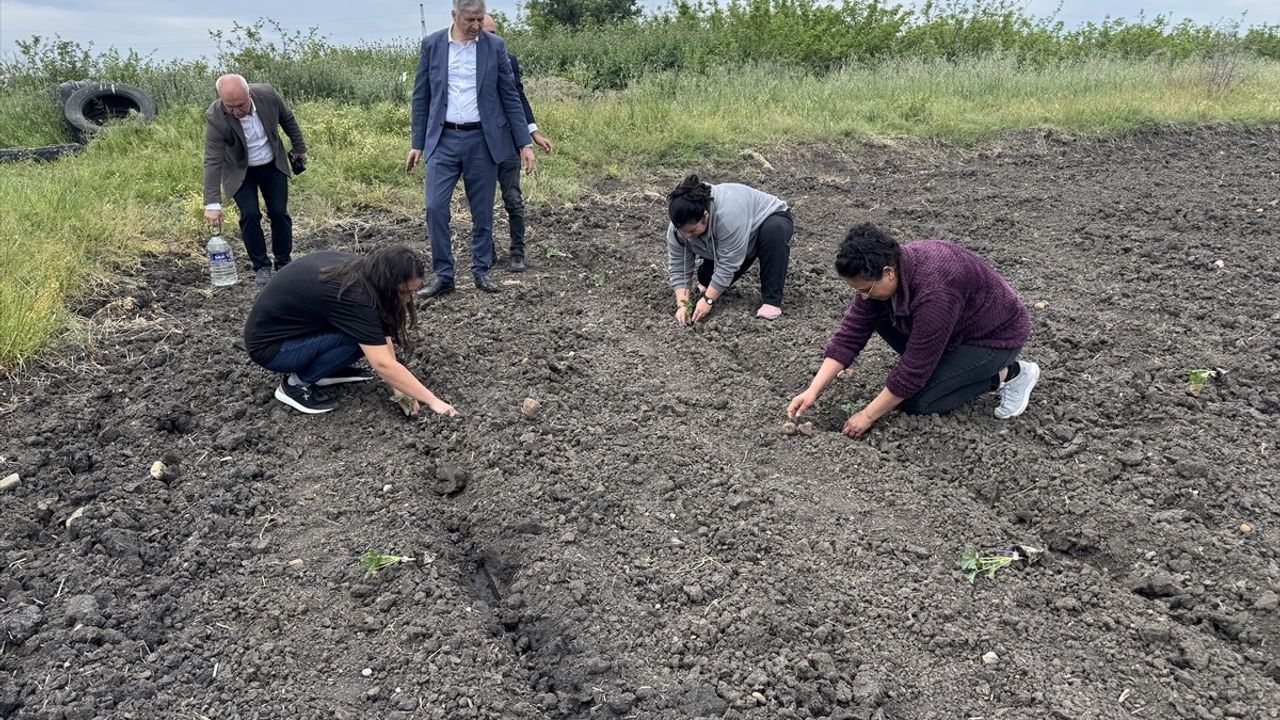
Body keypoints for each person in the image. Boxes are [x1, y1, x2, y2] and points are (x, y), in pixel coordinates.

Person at [787, 223, 1040, 438]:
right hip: (951, 330)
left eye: (865, 289)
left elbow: (914, 370)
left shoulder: (935, 292)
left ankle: (1012, 373)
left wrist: (867, 415)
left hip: (992, 339)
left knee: (918, 401)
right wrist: (812, 391)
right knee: (878, 316)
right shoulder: (888, 274)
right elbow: (850, 335)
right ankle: (951, 368)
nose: (862, 297)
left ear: (887, 272)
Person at [407, 0, 536, 298]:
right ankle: (444, 275)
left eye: (480, 20)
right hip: (442, 139)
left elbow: (510, 97)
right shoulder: (432, 45)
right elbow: (421, 97)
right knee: (435, 207)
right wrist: (417, 142)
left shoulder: (495, 46)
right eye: (470, 20)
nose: (476, 26)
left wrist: (524, 143)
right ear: (455, 16)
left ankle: (481, 271)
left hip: (482, 140)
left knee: (482, 211)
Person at [244, 245, 460, 417]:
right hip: (272, 349)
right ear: (388, 282)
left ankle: (323, 370)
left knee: (366, 336)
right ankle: (295, 384)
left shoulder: (364, 270)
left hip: (293, 331)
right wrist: (433, 401)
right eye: (404, 292)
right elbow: (382, 362)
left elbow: (380, 332)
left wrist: (399, 387)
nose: (407, 299)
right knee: (356, 340)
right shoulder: (356, 297)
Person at [203, 74, 307, 286]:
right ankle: (261, 266)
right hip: (240, 170)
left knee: (279, 213)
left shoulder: (268, 95)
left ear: (249, 94)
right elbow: (212, 159)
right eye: (230, 106)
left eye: (240, 105)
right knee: (250, 215)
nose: (236, 111)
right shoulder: (216, 116)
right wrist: (212, 203)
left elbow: (288, 119)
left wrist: (300, 149)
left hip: (272, 165)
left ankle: (283, 262)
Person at [482, 13, 556, 273]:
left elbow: (518, 99)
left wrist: (532, 135)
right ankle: (485, 250)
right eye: (484, 33)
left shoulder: (507, 61)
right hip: (478, 146)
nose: (490, 39)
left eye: (494, 34)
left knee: (512, 198)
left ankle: (517, 252)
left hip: (506, 143)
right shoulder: (464, 63)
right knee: (482, 201)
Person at [666, 174, 794, 323]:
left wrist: (708, 300)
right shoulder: (677, 230)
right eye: (684, 232)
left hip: (767, 219)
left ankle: (771, 301)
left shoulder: (727, 216)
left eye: (693, 231)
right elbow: (678, 267)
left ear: (705, 216)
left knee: (773, 231)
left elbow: (728, 264)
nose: (688, 236)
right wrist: (683, 305)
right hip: (736, 238)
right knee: (707, 280)